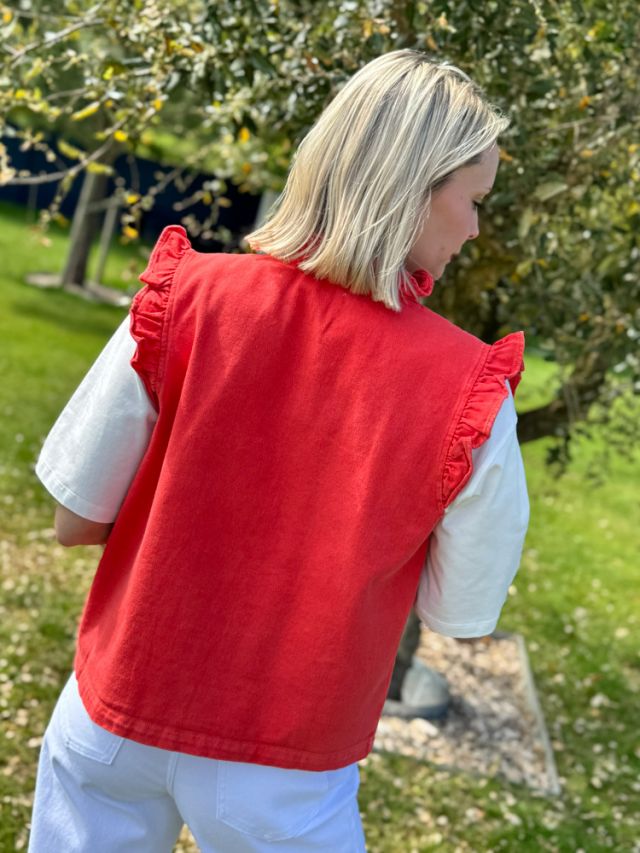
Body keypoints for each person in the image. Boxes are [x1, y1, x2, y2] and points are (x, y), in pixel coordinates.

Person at [28, 49, 529, 852]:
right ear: (413, 188)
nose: (475, 229)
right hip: (284, 765)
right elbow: (458, 613)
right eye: (473, 201)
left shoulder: (183, 298)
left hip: (113, 715)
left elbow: (75, 518)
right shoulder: (472, 393)